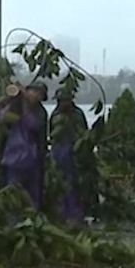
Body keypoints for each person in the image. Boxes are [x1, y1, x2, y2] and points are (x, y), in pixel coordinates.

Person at [0, 83, 48, 209]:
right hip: (13, 158)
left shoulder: (40, 112)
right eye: (33, 91)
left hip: (32, 159)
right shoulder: (15, 107)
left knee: (32, 197)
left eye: (39, 94)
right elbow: (2, 118)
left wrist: (25, 107)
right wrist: (15, 103)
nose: (36, 96)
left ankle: (31, 220)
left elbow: (34, 125)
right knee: (13, 194)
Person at [49, 88, 91, 225]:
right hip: (60, 151)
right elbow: (52, 134)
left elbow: (84, 133)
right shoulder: (55, 115)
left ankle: (76, 213)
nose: (63, 103)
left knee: (75, 183)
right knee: (59, 182)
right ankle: (61, 212)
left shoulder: (78, 114)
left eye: (65, 100)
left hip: (75, 153)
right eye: (60, 101)